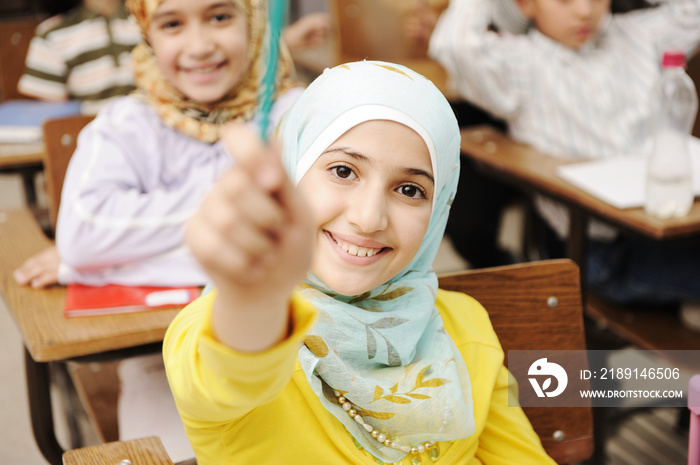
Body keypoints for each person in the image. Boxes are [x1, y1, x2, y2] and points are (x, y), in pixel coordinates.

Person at [164, 60, 555, 464]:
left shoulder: (464, 327)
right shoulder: (215, 328)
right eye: (343, 170)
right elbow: (228, 374)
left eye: (409, 189)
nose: (369, 218)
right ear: (290, 172)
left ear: (440, 209)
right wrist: (256, 300)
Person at [429, 0, 700, 330]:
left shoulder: (638, 35)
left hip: (680, 222)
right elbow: (454, 43)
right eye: (564, 0)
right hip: (606, 251)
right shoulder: (520, 63)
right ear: (526, 4)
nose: (584, 11)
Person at [14, 0, 303, 289]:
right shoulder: (125, 122)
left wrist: (95, 269)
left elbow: (300, 255)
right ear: (146, 32)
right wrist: (240, 208)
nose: (199, 47)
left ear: (255, 20)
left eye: (219, 17)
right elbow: (81, 236)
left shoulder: (298, 115)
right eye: (172, 24)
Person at [17, 0, 141, 115]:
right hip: (87, 130)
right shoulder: (53, 32)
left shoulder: (149, 20)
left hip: (150, 123)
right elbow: (54, 115)